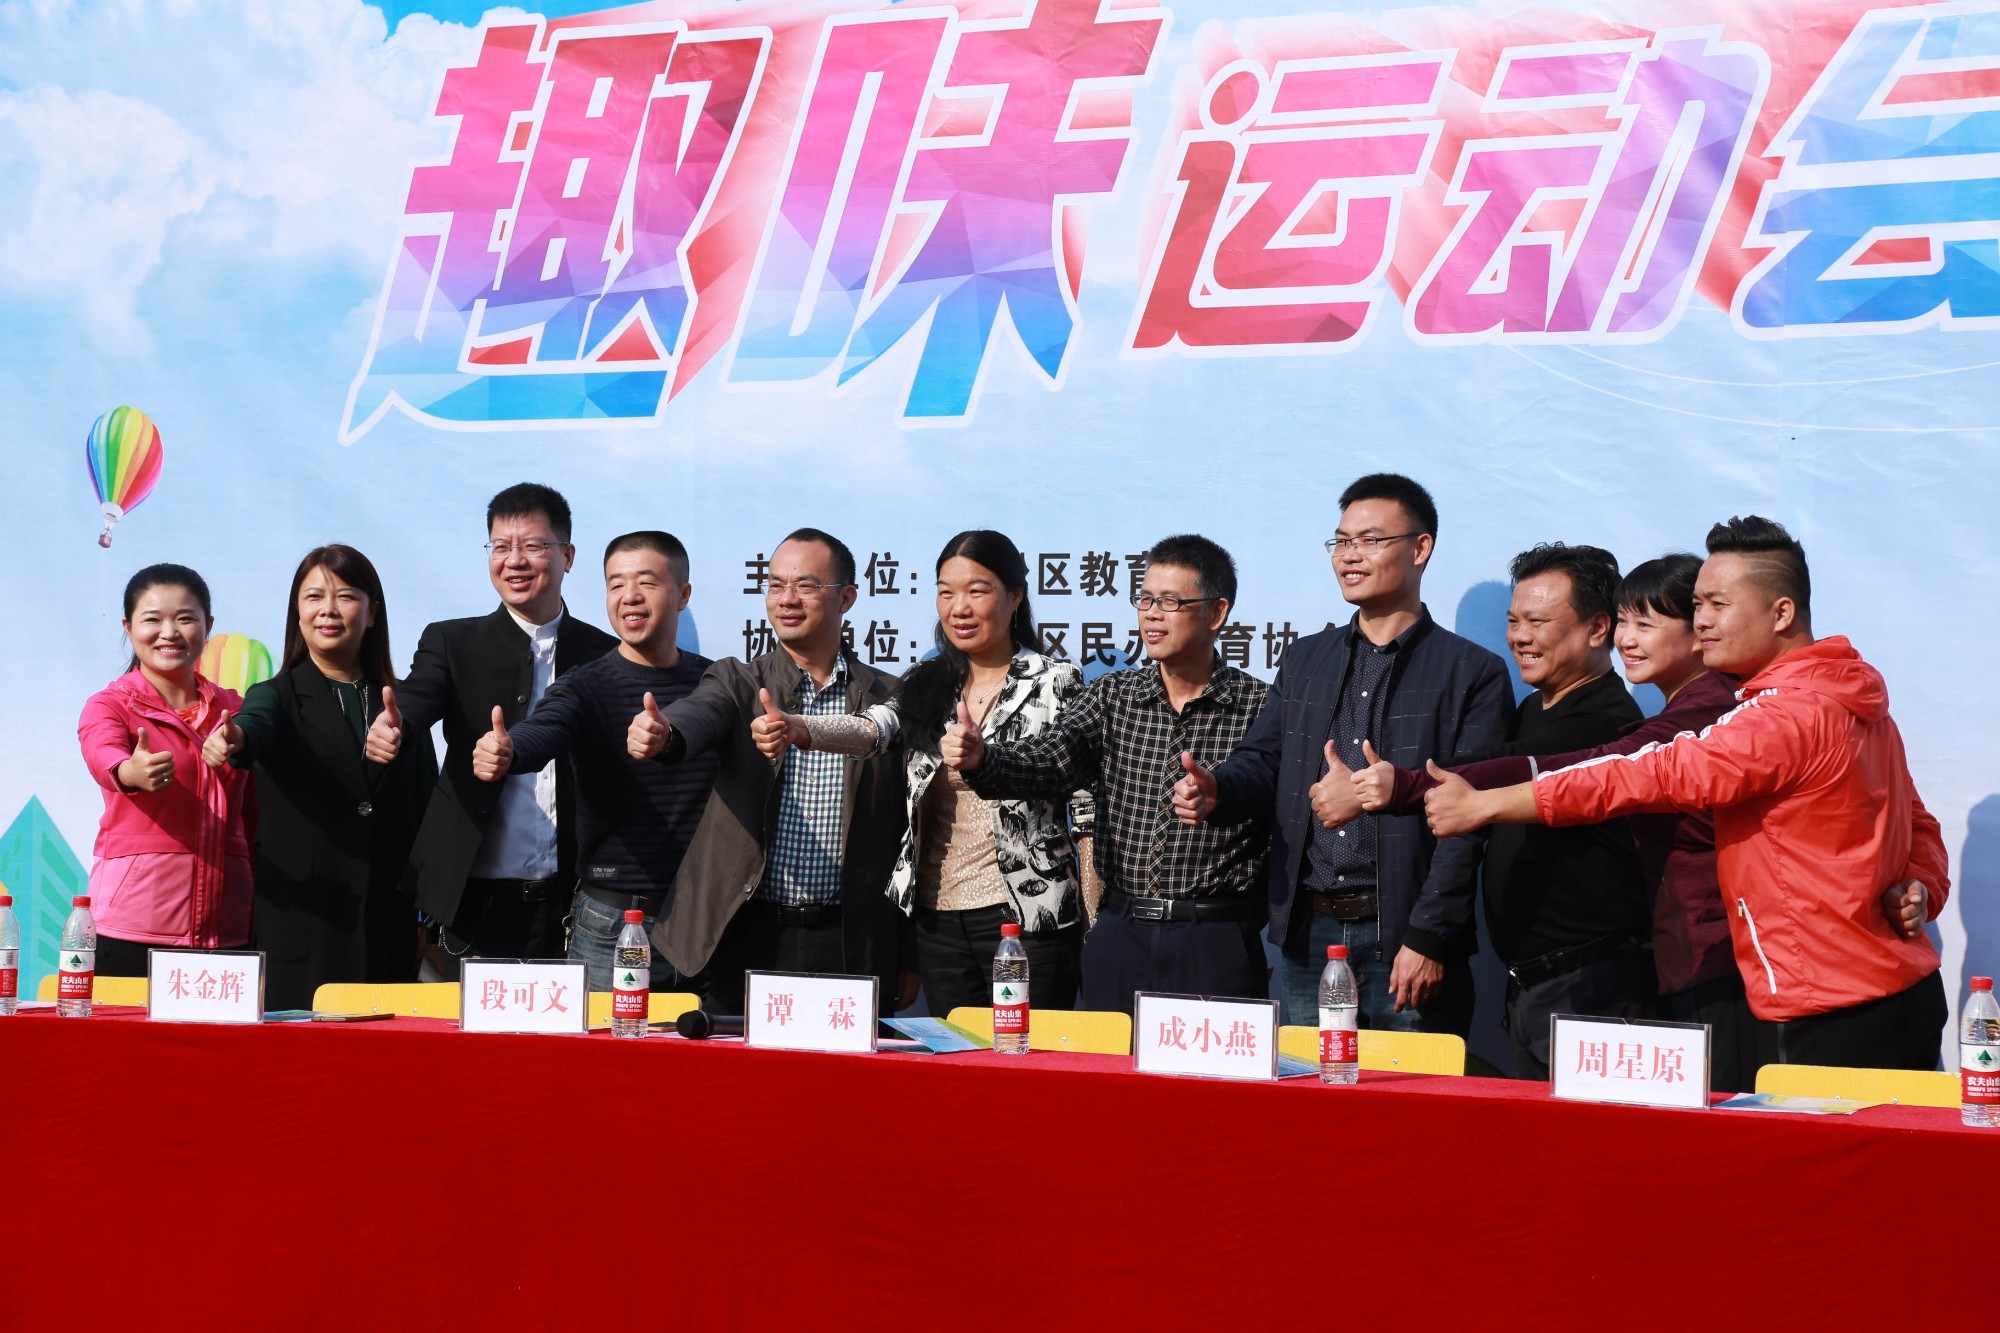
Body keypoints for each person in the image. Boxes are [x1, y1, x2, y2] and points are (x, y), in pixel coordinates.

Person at [1423, 517, 1950, 1071]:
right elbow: (1917, 824)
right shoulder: (1849, 698)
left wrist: (1488, 803)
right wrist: (1921, 886)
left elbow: (1641, 773)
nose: (1702, 622)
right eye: (1697, 606)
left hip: (1828, 1009)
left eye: (1718, 605)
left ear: (1781, 613)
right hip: (1898, 990)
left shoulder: (1783, 718)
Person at [1353, 554, 1771, 1089]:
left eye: (1645, 624)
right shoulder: (1541, 710)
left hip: (1634, 979)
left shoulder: (1650, 721)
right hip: (1560, 984)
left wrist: (1407, 786)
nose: (1627, 639)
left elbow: (1562, 768)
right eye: (1513, 621)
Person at [1171, 475, 1512, 1037]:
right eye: (1341, 541)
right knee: (1313, 1090)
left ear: (1420, 548)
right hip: (1311, 937)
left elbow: (1467, 824)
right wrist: (1219, 789)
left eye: (1370, 540)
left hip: (1405, 940)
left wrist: (1429, 937)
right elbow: (1265, 761)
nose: (1350, 555)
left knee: (1410, 1091)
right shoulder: (1306, 659)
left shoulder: (1471, 672)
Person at [752, 531, 1089, 1016]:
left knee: (1023, 1055)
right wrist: (803, 728)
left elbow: (1079, 797)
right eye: (946, 592)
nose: (959, 608)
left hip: (1029, 917)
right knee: (958, 1056)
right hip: (938, 917)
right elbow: (872, 729)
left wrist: (1093, 924)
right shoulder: (928, 681)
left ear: (1015, 595)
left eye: (977, 591)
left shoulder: (1054, 680)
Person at [943, 535, 1271, 1015]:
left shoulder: (1261, 705)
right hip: (1122, 932)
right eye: (1145, 600)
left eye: (1169, 602)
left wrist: (1219, 793)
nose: (1151, 615)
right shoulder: (1113, 695)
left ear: (1216, 613)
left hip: (1216, 935)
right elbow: (1052, 758)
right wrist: (983, 759)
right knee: (1109, 1062)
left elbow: (1272, 796)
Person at [631, 529, 912, 1013]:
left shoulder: (889, 700)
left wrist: (906, 951)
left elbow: (910, 834)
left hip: (849, 941)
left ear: (846, 598)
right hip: (743, 933)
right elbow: (699, 714)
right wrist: (667, 734)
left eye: (806, 585)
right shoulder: (739, 681)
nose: (787, 599)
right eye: (776, 585)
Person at [365, 483, 616, 975]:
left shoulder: (603, 654)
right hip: (473, 899)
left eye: (533, 545)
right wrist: (396, 727)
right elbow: (417, 697)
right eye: (501, 546)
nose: (514, 560)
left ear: (567, 555)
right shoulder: (452, 641)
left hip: (578, 903)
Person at [469, 531, 716, 993]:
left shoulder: (714, 683)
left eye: (647, 582)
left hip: (709, 922)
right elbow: (545, 728)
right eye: (616, 584)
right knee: (608, 1042)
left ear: (683, 594)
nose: (629, 596)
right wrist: (509, 750)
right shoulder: (585, 685)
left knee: (709, 1043)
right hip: (614, 922)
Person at [206, 546, 436, 1010]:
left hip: (387, 928)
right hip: (302, 925)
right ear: (298, 612)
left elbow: (426, 811)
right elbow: (255, 724)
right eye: (313, 597)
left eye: (345, 596)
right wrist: (235, 739)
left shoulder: (402, 705)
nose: (328, 610)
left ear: (372, 613)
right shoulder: (275, 694)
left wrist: (426, 921)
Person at [76, 565, 256, 976]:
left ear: (208, 626)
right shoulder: (109, 705)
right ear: (128, 627)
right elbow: (102, 753)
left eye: (185, 618)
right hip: (132, 927)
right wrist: (128, 772)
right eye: (153, 619)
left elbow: (255, 814)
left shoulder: (238, 711)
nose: (169, 632)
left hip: (228, 928)